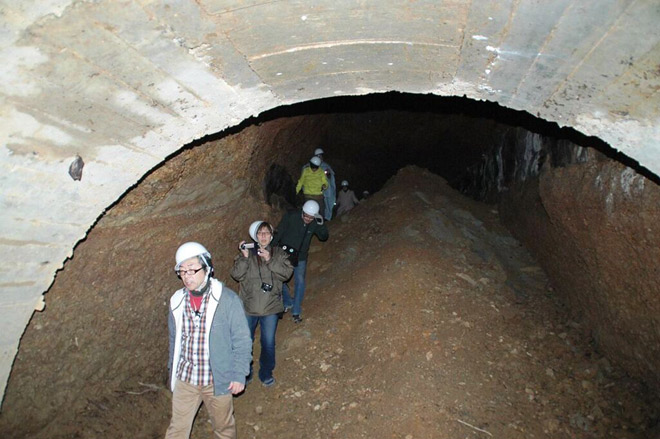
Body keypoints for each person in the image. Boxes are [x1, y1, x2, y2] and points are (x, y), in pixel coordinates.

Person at [166, 242, 252, 439]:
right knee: (176, 431)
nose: (187, 276)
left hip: (217, 379)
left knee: (224, 430)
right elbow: (174, 341)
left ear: (207, 267)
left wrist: (239, 374)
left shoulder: (227, 300)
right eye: (182, 271)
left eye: (192, 270)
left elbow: (242, 340)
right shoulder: (176, 301)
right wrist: (172, 370)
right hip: (186, 378)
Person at [230, 221, 293, 387]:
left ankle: (266, 372)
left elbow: (286, 274)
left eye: (266, 233)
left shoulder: (279, 253)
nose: (263, 236)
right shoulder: (247, 254)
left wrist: (270, 259)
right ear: (255, 236)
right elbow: (236, 274)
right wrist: (244, 258)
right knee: (245, 342)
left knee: (268, 342)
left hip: (271, 307)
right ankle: (246, 372)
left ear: (271, 236)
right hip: (249, 307)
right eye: (260, 233)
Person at [272, 200, 329, 323]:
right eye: (306, 216)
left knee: (300, 280)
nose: (308, 219)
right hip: (284, 253)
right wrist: (270, 248)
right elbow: (279, 231)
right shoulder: (291, 216)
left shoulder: (315, 223)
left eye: (311, 217)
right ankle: (288, 301)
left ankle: (296, 311)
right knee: (277, 278)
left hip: (300, 256)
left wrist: (321, 224)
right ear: (302, 211)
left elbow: (324, 237)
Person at [313, 148, 336, 221]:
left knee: (327, 204)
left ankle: (326, 218)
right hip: (315, 191)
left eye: (321, 156)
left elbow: (330, 177)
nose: (320, 157)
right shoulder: (310, 166)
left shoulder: (326, 166)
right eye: (318, 156)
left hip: (326, 190)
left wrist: (328, 174)